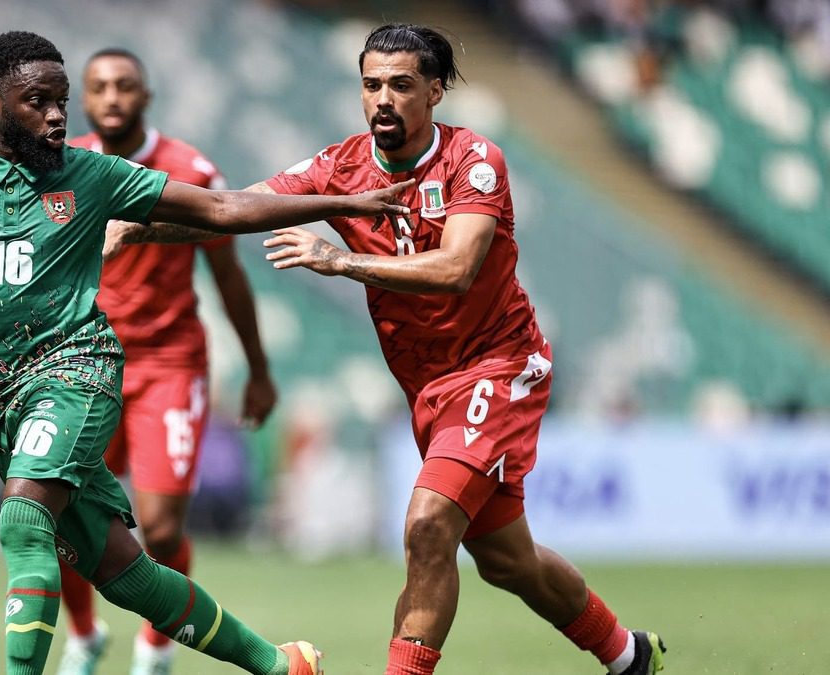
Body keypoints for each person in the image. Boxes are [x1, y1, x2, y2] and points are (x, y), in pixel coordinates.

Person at [0, 31, 409, 675]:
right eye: (38, 102)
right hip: (0, 396)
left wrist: (340, 203)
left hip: (76, 371)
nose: (58, 115)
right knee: (124, 573)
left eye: (61, 101)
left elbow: (219, 207)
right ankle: (281, 666)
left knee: (24, 519)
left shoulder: (94, 173)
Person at [107, 23, 666, 675]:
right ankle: (627, 654)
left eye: (401, 85)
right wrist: (140, 229)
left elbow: (456, 266)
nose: (382, 99)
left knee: (428, 524)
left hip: (498, 367)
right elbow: (233, 205)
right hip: (430, 388)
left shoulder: (472, 160)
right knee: (506, 559)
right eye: (371, 85)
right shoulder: (340, 167)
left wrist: (341, 262)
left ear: (435, 91)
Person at [57, 48, 278, 675]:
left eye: (125, 85)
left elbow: (230, 275)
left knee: (156, 529)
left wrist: (259, 371)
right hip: (84, 362)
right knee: (65, 515)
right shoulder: (62, 166)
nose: (112, 97)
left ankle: (157, 645)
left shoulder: (187, 170)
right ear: (85, 98)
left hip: (168, 364)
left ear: (146, 95)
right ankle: (83, 636)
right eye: (99, 87)